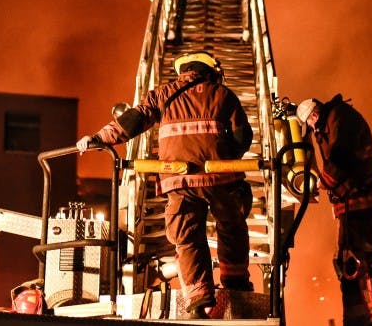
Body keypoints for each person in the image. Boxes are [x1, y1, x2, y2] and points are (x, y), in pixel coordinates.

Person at [77, 51, 254, 319]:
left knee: (187, 237)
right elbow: (243, 137)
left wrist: (99, 138)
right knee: (232, 226)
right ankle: (236, 285)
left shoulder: (163, 94)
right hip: (219, 177)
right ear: (210, 71)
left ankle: (198, 298)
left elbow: (132, 121)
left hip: (178, 178)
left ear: (184, 71)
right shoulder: (223, 94)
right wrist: (228, 158)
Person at [297, 94, 372, 326]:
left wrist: (321, 182)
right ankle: (358, 318)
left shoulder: (339, 119)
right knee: (346, 261)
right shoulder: (333, 121)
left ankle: (370, 316)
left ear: (313, 116)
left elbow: (339, 159)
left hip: (359, 199)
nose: (312, 130)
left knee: (359, 260)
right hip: (350, 200)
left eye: (310, 125)